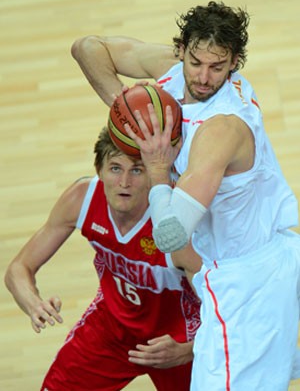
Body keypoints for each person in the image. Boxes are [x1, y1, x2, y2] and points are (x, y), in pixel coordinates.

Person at [71, 0, 300, 391]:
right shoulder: (172, 72)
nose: (204, 77)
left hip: (248, 284)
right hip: (246, 260)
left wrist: (157, 166)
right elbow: (87, 48)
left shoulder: (223, 128)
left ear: (235, 62)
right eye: (196, 62)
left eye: (217, 67)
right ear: (181, 49)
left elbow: (172, 235)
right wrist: (129, 118)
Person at [4, 126, 202, 391]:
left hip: (177, 341)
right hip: (113, 329)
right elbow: (18, 268)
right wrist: (34, 304)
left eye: (137, 170)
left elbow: (232, 308)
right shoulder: (82, 199)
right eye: (115, 168)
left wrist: (190, 350)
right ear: (99, 170)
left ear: (155, 178)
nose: (124, 183)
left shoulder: (174, 228)